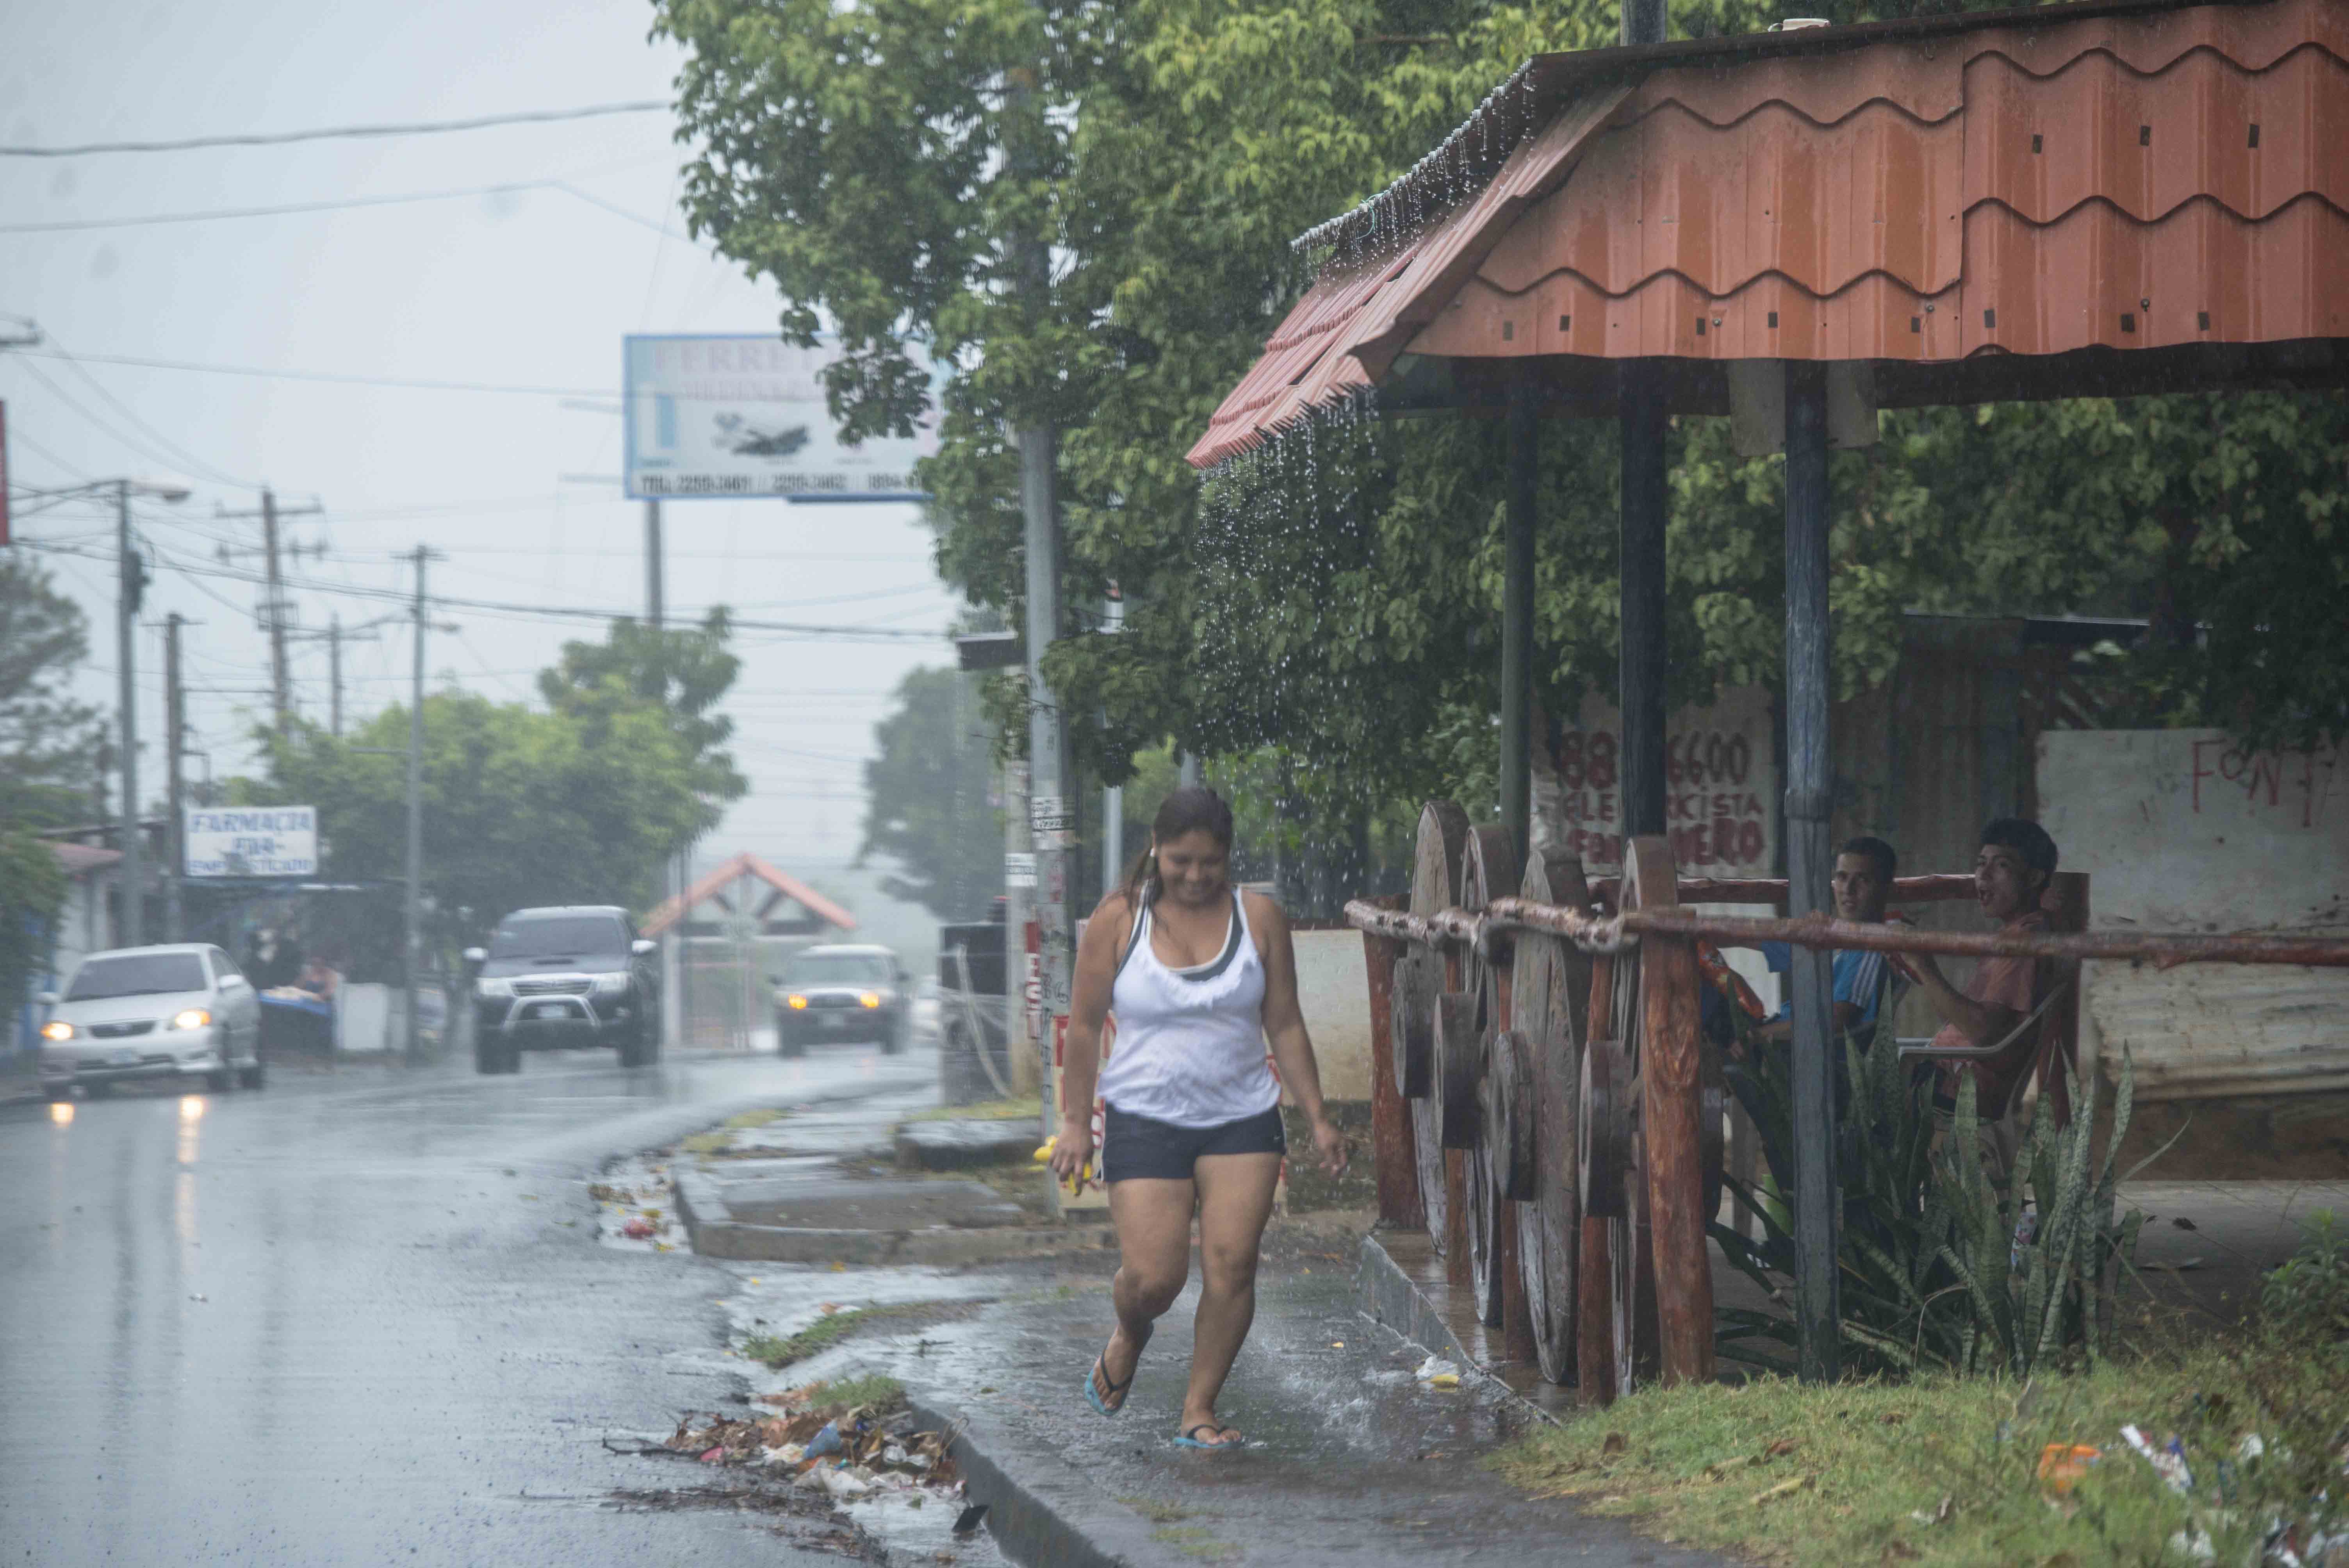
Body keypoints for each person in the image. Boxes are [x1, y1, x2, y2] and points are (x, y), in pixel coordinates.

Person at [1048, 787, 1347, 1452]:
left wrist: (1318, 1116)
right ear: (1156, 848)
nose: (1193, 875)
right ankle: (1131, 1331)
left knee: (1232, 1263)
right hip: (1144, 1117)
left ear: (1227, 857)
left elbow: (1285, 1021)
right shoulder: (1118, 920)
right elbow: (1086, 1026)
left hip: (1241, 1117)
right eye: (1180, 860)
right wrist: (1075, 1124)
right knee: (1155, 1278)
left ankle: (1198, 1409)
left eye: (1208, 862)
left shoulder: (1261, 917)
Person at [1889, 818, 2060, 1119]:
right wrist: (1919, 968)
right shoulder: (2019, 933)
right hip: (1950, 1076)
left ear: (2034, 878)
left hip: (1958, 1090)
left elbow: (1984, 1033)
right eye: (1981, 863)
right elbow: (1962, 1021)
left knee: (1838, 1088)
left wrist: (1925, 965)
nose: (1984, 874)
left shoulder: (2022, 944)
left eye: (2001, 865)